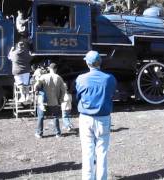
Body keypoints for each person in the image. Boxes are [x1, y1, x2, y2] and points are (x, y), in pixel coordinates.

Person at [75, 50, 116, 180]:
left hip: (86, 118)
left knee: (87, 152)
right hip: (103, 118)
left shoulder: (81, 79)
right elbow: (112, 94)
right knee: (102, 152)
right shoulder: (110, 78)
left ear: (87, 63)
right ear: (100, 62)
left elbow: (78, 96)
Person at [34, 63, 66, 138]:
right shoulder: (59, 78)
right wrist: (61, 99)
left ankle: (39, 133)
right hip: (54, 101)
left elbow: (37, 85)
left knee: (41, 117)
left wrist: (36, 91)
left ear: (49, 69)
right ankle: (58, 133)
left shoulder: (43, 76)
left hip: (43, 101)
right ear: (56, 69)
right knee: (55, 117)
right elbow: (63, 90)